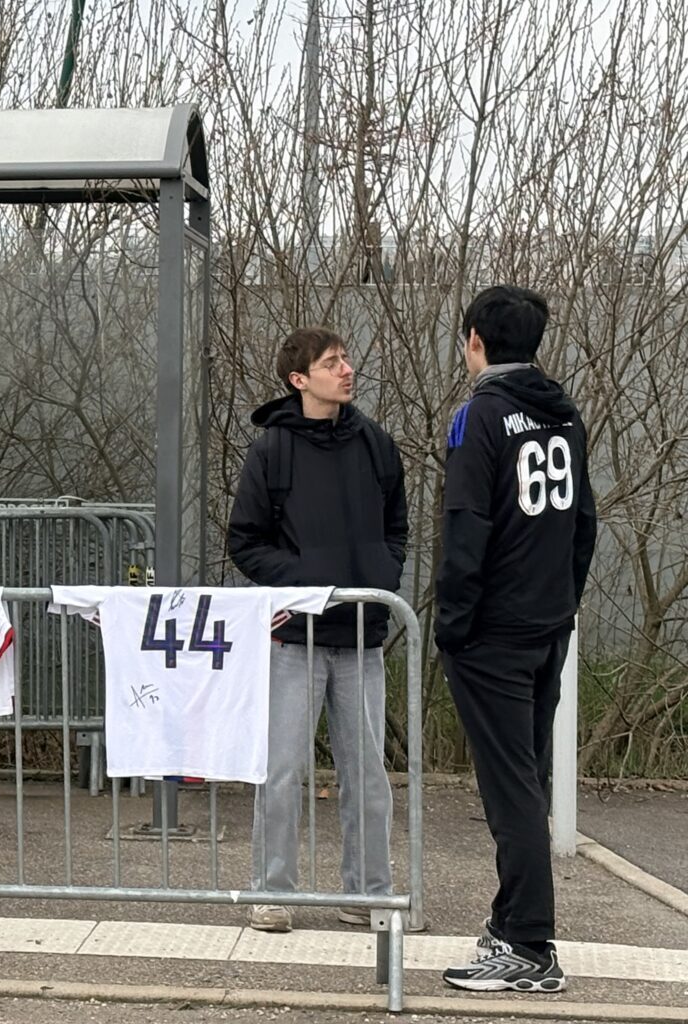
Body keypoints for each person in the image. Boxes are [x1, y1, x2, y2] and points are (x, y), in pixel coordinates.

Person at [435, 286, 595, 994]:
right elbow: (583, 524)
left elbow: (466, 525)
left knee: (513, 793)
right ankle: (510, 928)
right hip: (547, 623)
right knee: (527, 780)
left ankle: (529, 946)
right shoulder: (565, 419)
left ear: (474, 340)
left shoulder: (479, 418)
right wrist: (562, 601)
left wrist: (453, 624)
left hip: (493, 633)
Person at [225, 327, 407, 935]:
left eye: (347, 359)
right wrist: (305, 582)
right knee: (280, 772)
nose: (347, 369)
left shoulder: (377, 445)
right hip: (294, 643)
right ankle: (271, 893)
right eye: (332, 363)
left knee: (368, 776)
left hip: (362, 638)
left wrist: (380, 574)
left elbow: (397, 528)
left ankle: (369, 895)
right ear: (299, 379)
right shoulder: (271, 451)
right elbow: (245, 542)